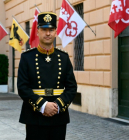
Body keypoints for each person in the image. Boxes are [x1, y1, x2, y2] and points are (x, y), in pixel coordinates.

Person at [17, 12, 77, 140]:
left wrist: (57, 105)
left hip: (58, 116)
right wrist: (43, 105)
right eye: (44, 29)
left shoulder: (64, 58)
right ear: (37, 31)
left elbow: (72, 88)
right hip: (34, 116)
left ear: (56, 32)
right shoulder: (27, 57)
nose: (48, 33)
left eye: (51, 30)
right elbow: (22, 87)